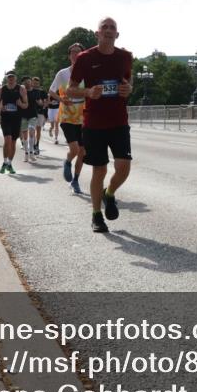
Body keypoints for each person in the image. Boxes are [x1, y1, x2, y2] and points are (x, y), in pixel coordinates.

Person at [68, 18, 133, 233]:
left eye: (112, 27)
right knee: (100, 169)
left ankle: (110, 193)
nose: (108, 30)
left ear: (117, 34)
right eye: (104, 27)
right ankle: (96, 215)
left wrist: (128, 90)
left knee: (124, 167)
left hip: (118, 120)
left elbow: (127, 84)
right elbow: (70, 90)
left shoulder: (125, 57)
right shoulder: (85, 58)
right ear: (97, 33)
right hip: (94, 122)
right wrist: (87, 92)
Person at [50, 43, 87, 194]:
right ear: (69, 55)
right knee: (75, 149)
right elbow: (51, 92)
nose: (76, 55)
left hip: (84, 117)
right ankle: (67, 162)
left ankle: (75, 180)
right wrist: (62, 99)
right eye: (73, 52)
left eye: (78, 52)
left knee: (83, 152)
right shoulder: (63, 73)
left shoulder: (88, 73)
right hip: (67, 116)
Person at [0, 72, 28, 174]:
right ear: (7, 79)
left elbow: (26, 105)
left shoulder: (21, 89)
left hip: (16, 119)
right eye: (9, 77)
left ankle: (9, 164)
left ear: (15, 78)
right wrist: (0, 108)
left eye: (12, 77)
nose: (11, 79)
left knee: (13, 142)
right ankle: (4, 162)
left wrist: (20, 104)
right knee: (7, 139)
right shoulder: (1, 89)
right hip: (5, 118)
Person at [19, 76, 39, 162]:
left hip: (33, 115)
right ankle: (26, 154)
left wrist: (41, 103)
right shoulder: (21, 92)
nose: (27, 83)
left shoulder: (36, 92)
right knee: (25, 135)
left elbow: (39, 102)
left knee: (31, 132)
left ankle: (31, 153)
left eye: (28, 81)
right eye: (25, 82)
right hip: (23, 115)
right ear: (23, 84)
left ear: (31, 82)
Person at [29, 77, 47, 154]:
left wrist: (43, 104)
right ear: (31, 83)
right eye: (34, 83)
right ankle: (32, 145)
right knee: (31, 130)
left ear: (39, 83)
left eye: (37, 83)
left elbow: (46, 101)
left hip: (40, 113)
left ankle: (37, 145)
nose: (35, 84)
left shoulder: (42, 92)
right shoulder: (29, 91)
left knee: (38, 130)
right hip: (30, 113)